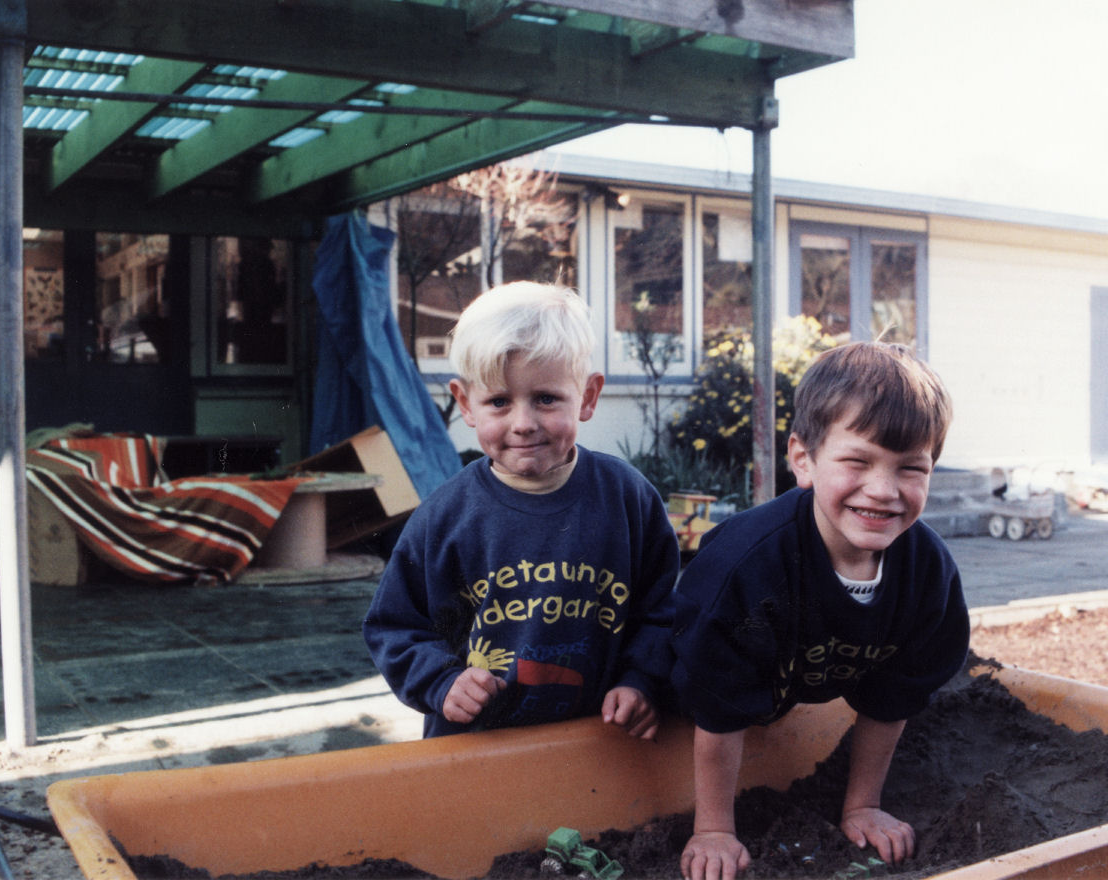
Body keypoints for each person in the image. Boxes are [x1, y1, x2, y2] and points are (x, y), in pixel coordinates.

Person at [669, 341, 969, 880]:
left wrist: (862, 806)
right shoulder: (746, 570)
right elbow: (716, 704)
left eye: (910, 469)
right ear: (803, 459)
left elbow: (892, 695)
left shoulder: (928, 575)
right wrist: (713, 828)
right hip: (690, 691)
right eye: (857, 461)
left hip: (800, 673)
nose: (883, 490)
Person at [363, 281, 679, 739]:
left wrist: (640, 681)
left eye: (546, 398)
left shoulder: (629, 499)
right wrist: (442, 681)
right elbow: (394, 624)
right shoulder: (443, 518)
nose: (524, 423)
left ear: (588, 397)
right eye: (499, 402)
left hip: (599, 743)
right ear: (466, 403)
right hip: (475, 748)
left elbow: (662, 609)